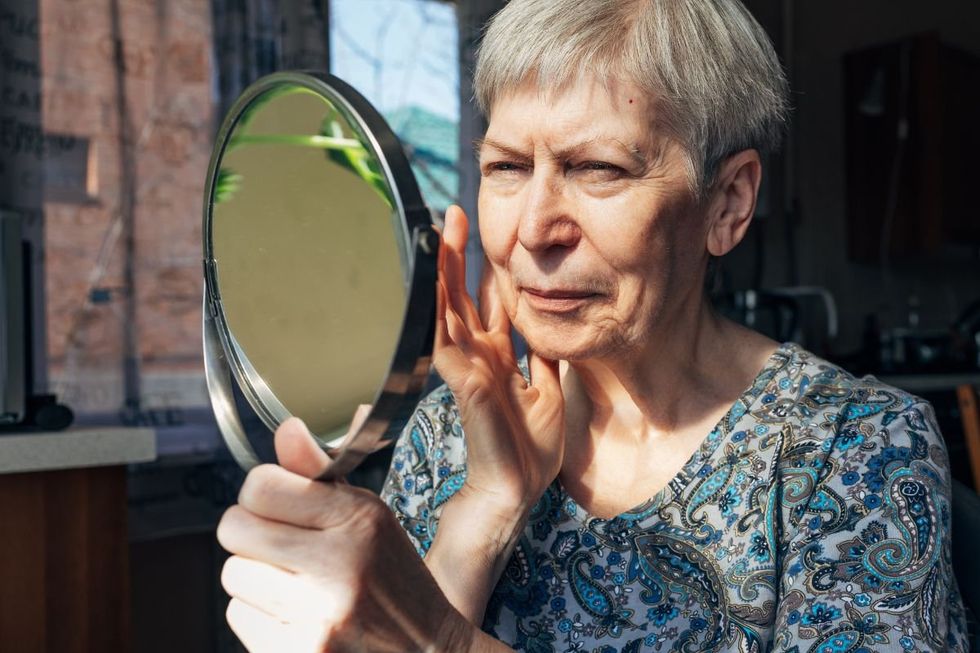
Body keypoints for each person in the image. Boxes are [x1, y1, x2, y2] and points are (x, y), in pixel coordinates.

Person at [216, 0, 969, 651]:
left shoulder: (854, 446)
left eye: (599, 168)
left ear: (728, 204)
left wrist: (435, 638)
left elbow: (415, 636)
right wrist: (485, 509)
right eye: (507, 167)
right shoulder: (451, 431)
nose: (534, 229)